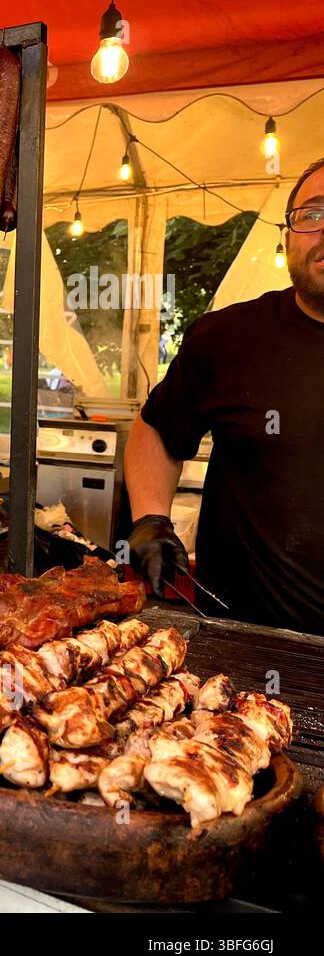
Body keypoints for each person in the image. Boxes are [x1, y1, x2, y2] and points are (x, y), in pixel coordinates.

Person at [125, 157, 324, 635]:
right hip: (238, 644)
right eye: (313, 214)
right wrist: (150, 519)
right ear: (287, 235)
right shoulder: (228, 337)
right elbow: (157, 428)